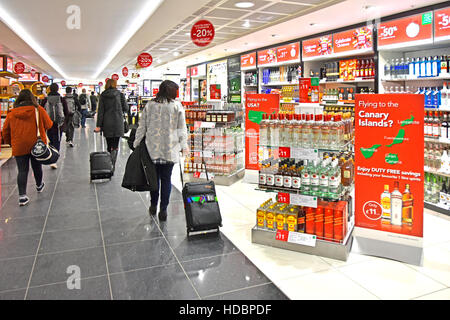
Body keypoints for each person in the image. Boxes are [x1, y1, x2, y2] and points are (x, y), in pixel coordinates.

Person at [133, 80, 188, 221]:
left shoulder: (150, 105)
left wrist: (137, 142)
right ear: (172, 91)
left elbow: (142, 126)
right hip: (169, 148)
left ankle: (153, 205)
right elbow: (181, 129)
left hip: (152, 148)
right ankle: (163, 209)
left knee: (153, 179)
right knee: (166, 179)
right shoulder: (177, 106)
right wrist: (184, 146)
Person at [1, 89, 53, 206]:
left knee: (22, 170)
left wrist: (11, 143)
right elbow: (49, 124)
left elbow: (5, 132)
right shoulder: (38, 110)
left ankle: (22, 196)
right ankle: (39, 185)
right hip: (36, 144)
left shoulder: (11, 113)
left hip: (19, 146)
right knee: (37, 166)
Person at [95, 79, 128, 173]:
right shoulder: (120, 94)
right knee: (116, 144)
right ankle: (113, 164)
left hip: (107, 122)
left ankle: (109, 163)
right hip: (118, 122)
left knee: (109, 145)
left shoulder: (103, 95)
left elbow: (100, 111)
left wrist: (98, 126)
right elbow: (126, 108)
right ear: (115, 84)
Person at [41, 83, 69, 169]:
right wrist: (65, 122)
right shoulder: (61, 99)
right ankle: (54, 160)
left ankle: (51, 154)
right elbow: (66, 111)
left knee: (50, 139)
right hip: (58, 124)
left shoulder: (45, 100)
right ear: (57, 89)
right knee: (57, 140)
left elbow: (41, 111)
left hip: (48, 123)